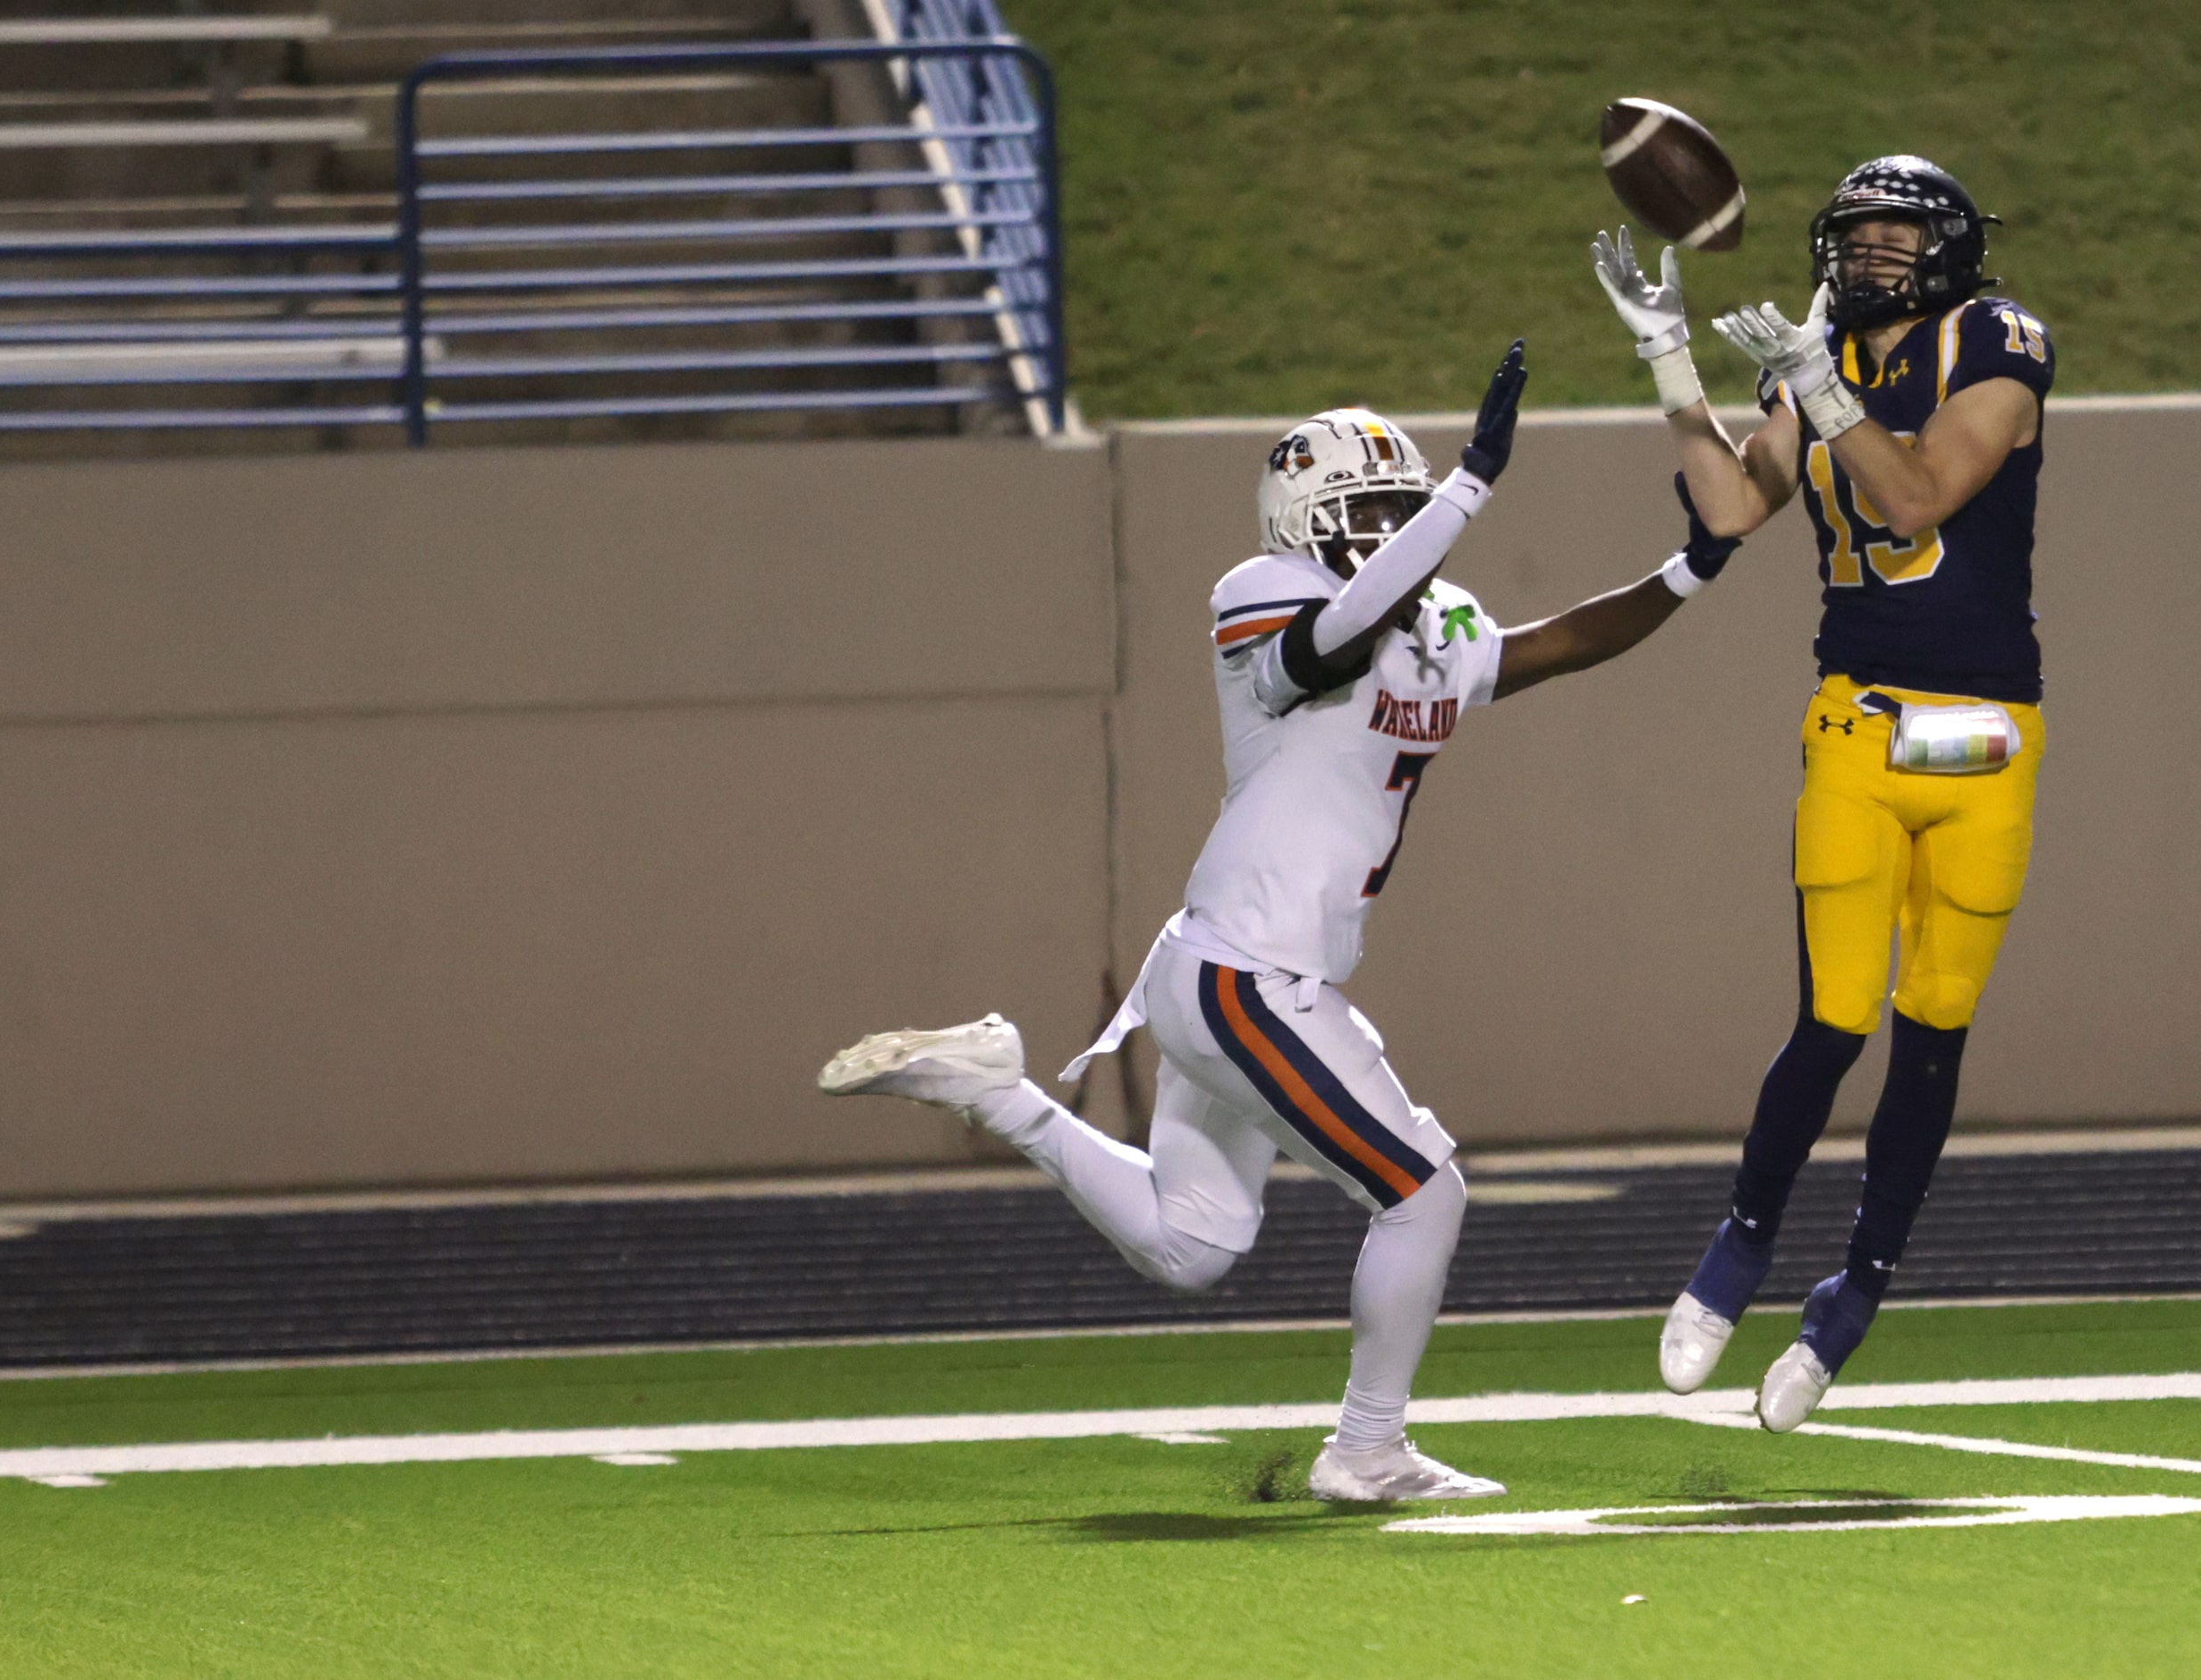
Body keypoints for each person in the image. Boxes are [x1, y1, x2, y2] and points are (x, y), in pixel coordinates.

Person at [820, 341, 1744, 1500]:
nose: (1388, 529)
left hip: (1222, 970)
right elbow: (1325, 646)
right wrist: (1462, 491)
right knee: (1423, 1189)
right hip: (1247, 976)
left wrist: (1696, 562)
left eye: (1398, 510)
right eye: (1368, 511)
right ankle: (1365, 1447)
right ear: (1303, 521)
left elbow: (1560, 643)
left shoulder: (1438, 622)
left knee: (1191, 1242)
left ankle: (997, 1088)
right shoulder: (1263, 594)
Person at [1593, 156, 2052, 1430]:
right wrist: (1669, 365)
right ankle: (1740, 1241)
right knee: (1834, 1014)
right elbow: (1734, 502)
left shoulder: (1997, 340)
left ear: (1949, 242)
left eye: (1894, 234)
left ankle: (1855, 1289)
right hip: (1857, 721)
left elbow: (1918, 496)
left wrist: (1812, 382)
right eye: (1853, 235)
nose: (1868, 256)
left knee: (1935, 1022)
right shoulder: (1815, 357)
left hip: (1986, 736)